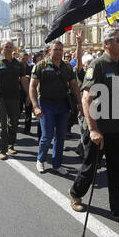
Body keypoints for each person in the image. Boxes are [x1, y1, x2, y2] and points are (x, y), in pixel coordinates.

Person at [68, 27, 119, 229]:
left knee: (117, 171)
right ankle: (75, 193)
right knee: (90, 168)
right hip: (99, 129)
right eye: (118, 40)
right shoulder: (97, 65)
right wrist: (93, 129)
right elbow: (87, 99)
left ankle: (118, 211)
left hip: (116, 129)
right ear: (106, 43)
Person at [30, 40, 82, 175]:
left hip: (63, 105)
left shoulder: (67, 67)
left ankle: (57, 164)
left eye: (60, 49)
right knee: (47, 135)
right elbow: (32, 86)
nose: (58, 52)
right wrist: (35, 106)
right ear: (49, 51)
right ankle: (40, 159)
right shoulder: (41, 65)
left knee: (60, 136)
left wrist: (80, 104)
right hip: (46, 105)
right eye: (56, 49)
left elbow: (74, 85)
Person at [0, 41, 29, 160]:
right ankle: (2, 149)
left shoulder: (19, 64)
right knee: (1, 124)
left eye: (10, 47)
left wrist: (29, 94)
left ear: (13, 48)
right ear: (2, 49)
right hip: (0, 97)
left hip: (14, 97)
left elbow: (24, 80)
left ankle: (11, 145)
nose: (8, 49)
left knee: (13, 123)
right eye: (6, 47)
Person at [18, 51, 33, 134]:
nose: (24, 61)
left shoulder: (30, 68)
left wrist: (29, 77)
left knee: (28, 111)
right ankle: (14, 125)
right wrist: (22, 78)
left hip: (28, 92)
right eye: (23, 59)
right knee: (18, 111)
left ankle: (27, 129)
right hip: (18, 92)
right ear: (20, 58)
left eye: (26, 59)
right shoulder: (17, 67)